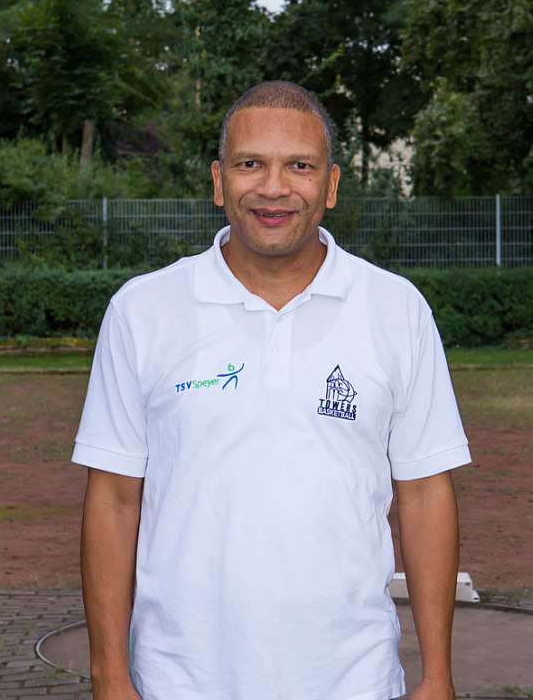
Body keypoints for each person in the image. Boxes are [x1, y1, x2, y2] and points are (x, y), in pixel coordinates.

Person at [71, 80, 473, 700]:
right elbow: (114, 500)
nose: (274, 187)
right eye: (250, 163)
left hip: (354, 681)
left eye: (300, 166)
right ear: (217, 180)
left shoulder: (397, 310)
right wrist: (110, 676)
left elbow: (423, 495)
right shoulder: (143, 310)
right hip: (180, 680)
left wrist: (439, 677)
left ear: (331, 185)